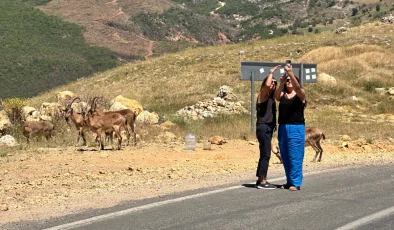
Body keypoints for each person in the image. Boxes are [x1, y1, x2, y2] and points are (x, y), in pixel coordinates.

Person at [274, 64, 306, 191]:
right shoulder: (282, 95)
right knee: (285, 155)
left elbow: (298, 89)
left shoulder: (300, 95)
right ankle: (289, 181)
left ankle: (296, 182)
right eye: (287, 80)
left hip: (296, 128)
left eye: (290, 80)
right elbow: (276, 96)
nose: (288, 82)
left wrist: (291, 73)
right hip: (283, 127)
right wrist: (281, 83)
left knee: (295, 155)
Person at [255, 65, 280, 189]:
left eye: (275, 83)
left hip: (267, 128)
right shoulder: (263, 95)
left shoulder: (271, 98)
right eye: (271, 82)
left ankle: (260, 178)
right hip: (264, 127)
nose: (272, 85)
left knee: (264, 153)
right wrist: (271, 73)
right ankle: (263, 181)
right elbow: (266, 85)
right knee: (266, 154)